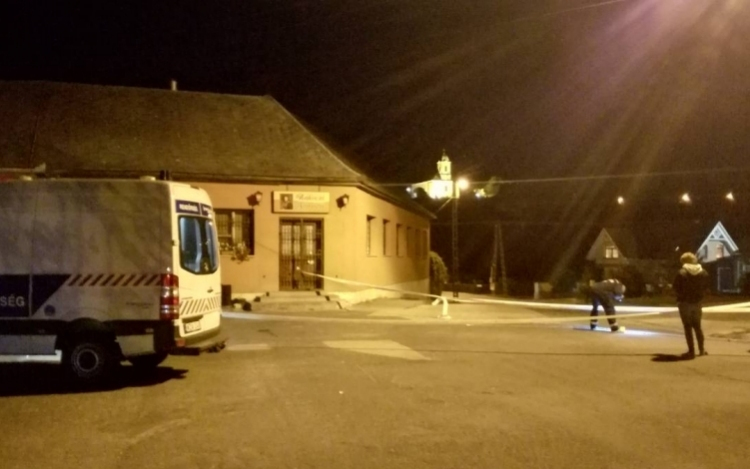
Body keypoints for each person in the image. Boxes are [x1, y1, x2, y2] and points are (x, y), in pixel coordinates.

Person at [673, 252, 709, 359]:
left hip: (684, 302)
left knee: (687, 327)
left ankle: (691, 351)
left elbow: (676, 287)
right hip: (697, 302)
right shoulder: (703, 272)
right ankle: (701, 349)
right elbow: (707, 286)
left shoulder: (681, 273)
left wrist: (679, 296)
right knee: (697, 326)